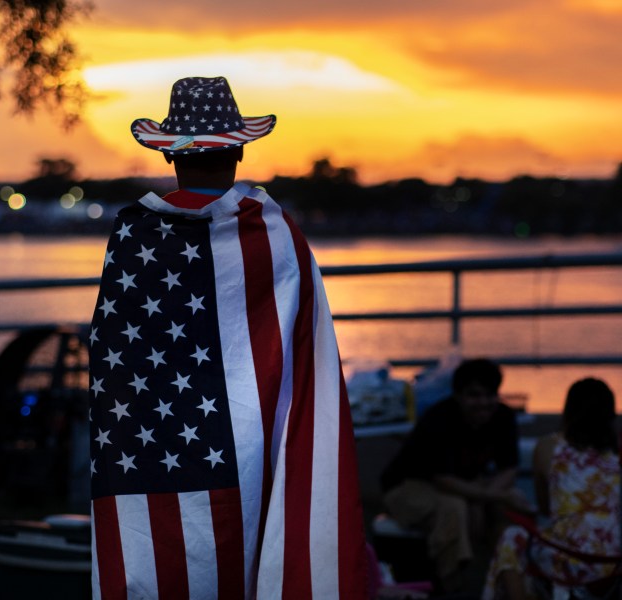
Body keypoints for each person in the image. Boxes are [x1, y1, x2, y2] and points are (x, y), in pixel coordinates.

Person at [87, 76, 368, 599]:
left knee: (160, 566)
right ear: (238, 152)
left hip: (146, 451)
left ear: (171, 157)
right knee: (251, 554)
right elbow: (303, 351)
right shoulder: (276, 234)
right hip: (249, 444)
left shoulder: (132, 236)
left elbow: (112, 354)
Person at [379, 358, 532, 592]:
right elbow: (442, 479)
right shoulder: (439, 419)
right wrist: (491, 497)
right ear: (458, 395)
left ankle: (510, 580)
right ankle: (453, 584)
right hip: (407, 484)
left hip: (463, 484)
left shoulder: (503, 416)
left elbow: (508, 468)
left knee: (510, 508)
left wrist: (487, 497)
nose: (483, 403)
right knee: (454, 509)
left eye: (490, 395)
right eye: (474, 395)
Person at [482, 378, 621, 600]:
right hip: (613, 563)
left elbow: (546, 509)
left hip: (568, 559)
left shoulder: (550, 447)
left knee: (511, 537)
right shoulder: (618, 451)